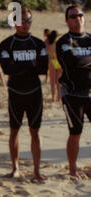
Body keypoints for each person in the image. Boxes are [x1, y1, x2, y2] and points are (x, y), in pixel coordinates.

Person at [0, 7, 48, 181]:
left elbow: (43, 68)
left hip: (34, 92)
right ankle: (15, 168)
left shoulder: (38, 43)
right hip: (15, 93)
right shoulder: (6, 44)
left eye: (28, 20)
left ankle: (36, 170)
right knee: (14, 131)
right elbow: (6, 69)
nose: (25, 24)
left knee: (35, 132)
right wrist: (30, 65)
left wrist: (18, 66)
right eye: (21, 21)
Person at [56, 5, 91, 178]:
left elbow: (81, 60)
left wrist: (85, 61)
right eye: (73, 16)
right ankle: (72, 169)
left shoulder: (90, 38)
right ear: (67, 20)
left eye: (80, 15)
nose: (78, 18)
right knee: (75, 132)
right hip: (72, 95)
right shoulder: (64, 41)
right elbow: (73, 61)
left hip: (90, 93)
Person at [46, 30, 62, 103]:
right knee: (58, 81)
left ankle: (53, 97)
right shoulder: (57, 44)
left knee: (52, 82)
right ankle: (59, 97)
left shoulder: (48, 44)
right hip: (57, 62)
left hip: (51, 62)